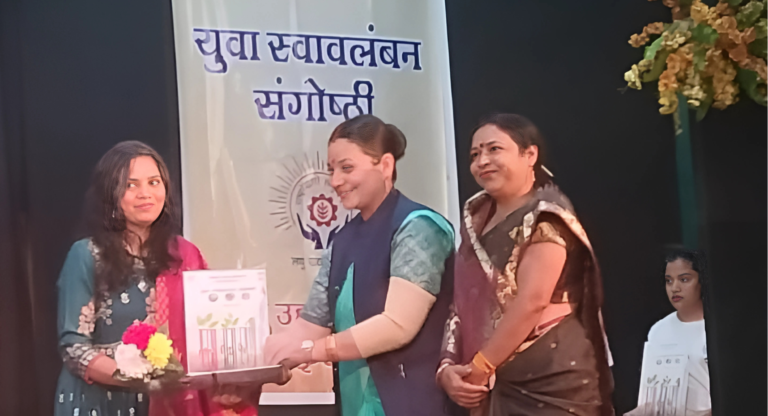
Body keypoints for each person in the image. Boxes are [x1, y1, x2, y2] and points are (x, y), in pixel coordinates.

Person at [263, 114, 455, 416]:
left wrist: (313, 352)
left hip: (412, 403)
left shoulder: (418, 228)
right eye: (332, 170)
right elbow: (309, 326)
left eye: (347, 168)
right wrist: (259, 359)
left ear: (386, 165)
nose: (335, 181)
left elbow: (398, 326)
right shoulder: (342, 240)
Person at [54, 141, 259, 416]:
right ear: (109, 194)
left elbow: (211, 331)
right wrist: (135, 377)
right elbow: (74, 348)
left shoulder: (184, 256)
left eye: (154, 182)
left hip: (171, 402)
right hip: (102, 402)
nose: (145, 193)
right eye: (130, 185)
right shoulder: (87, 255)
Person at [437, 113, 614, 416]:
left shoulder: (548, 215)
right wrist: (447, 368)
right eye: (475, 154)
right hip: (489, 382)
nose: (482, 161)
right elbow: (462, 304)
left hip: (551, 382)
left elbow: (533, 301)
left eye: (494, 149)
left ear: (529, 154)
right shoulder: (475, 220)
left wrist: (481, 368)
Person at [626, 250, 711, 416]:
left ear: (702, 281)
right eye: (669, 281)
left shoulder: (715, 330)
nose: (675, 288)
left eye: (684, 279)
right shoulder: (658, 330)